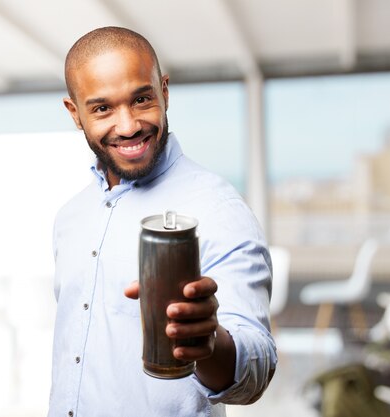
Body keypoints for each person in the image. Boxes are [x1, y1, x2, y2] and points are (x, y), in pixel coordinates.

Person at [48, 26, 277, 417]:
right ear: (75, 113)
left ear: (164, 92)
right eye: (102, 108)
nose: (128, 125)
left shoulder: (217, 208)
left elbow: (256, 367)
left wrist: (209, 342)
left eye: (141, 99)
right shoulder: (71, 216)